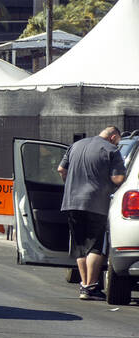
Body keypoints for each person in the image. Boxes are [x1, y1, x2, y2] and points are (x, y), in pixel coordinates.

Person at [58, 125, 126, 299]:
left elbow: (61, 170)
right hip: (96, 203)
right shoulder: (111, 150)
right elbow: (117, 178)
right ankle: (91, 287)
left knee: (80, 246)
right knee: (95, 246)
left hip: (71, 201)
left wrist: (70, 184)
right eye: (118, 141)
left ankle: (84, 286)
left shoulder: (76, 145)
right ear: (113, 137)